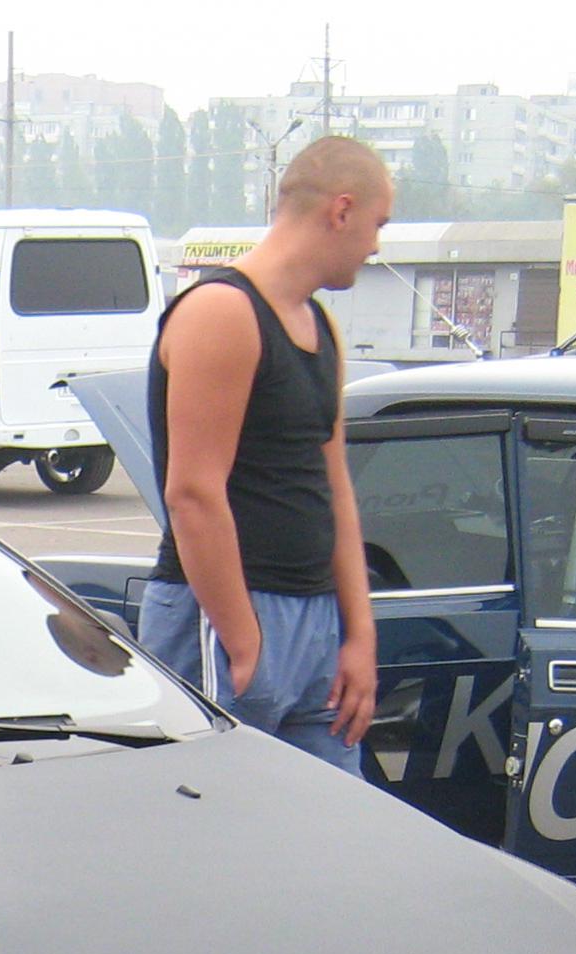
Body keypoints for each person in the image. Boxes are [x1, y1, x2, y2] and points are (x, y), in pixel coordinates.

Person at [137, 136, 387, 773]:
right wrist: (244, 640)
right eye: (378, 224)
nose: (376, 246)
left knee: (333, 821)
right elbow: (193, 493)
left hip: (316, 623)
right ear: (342, 210)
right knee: (212, 820)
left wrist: (359, 634)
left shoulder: (319, 324)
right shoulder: (222, 310)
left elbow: (334, 485)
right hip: (223, 615)